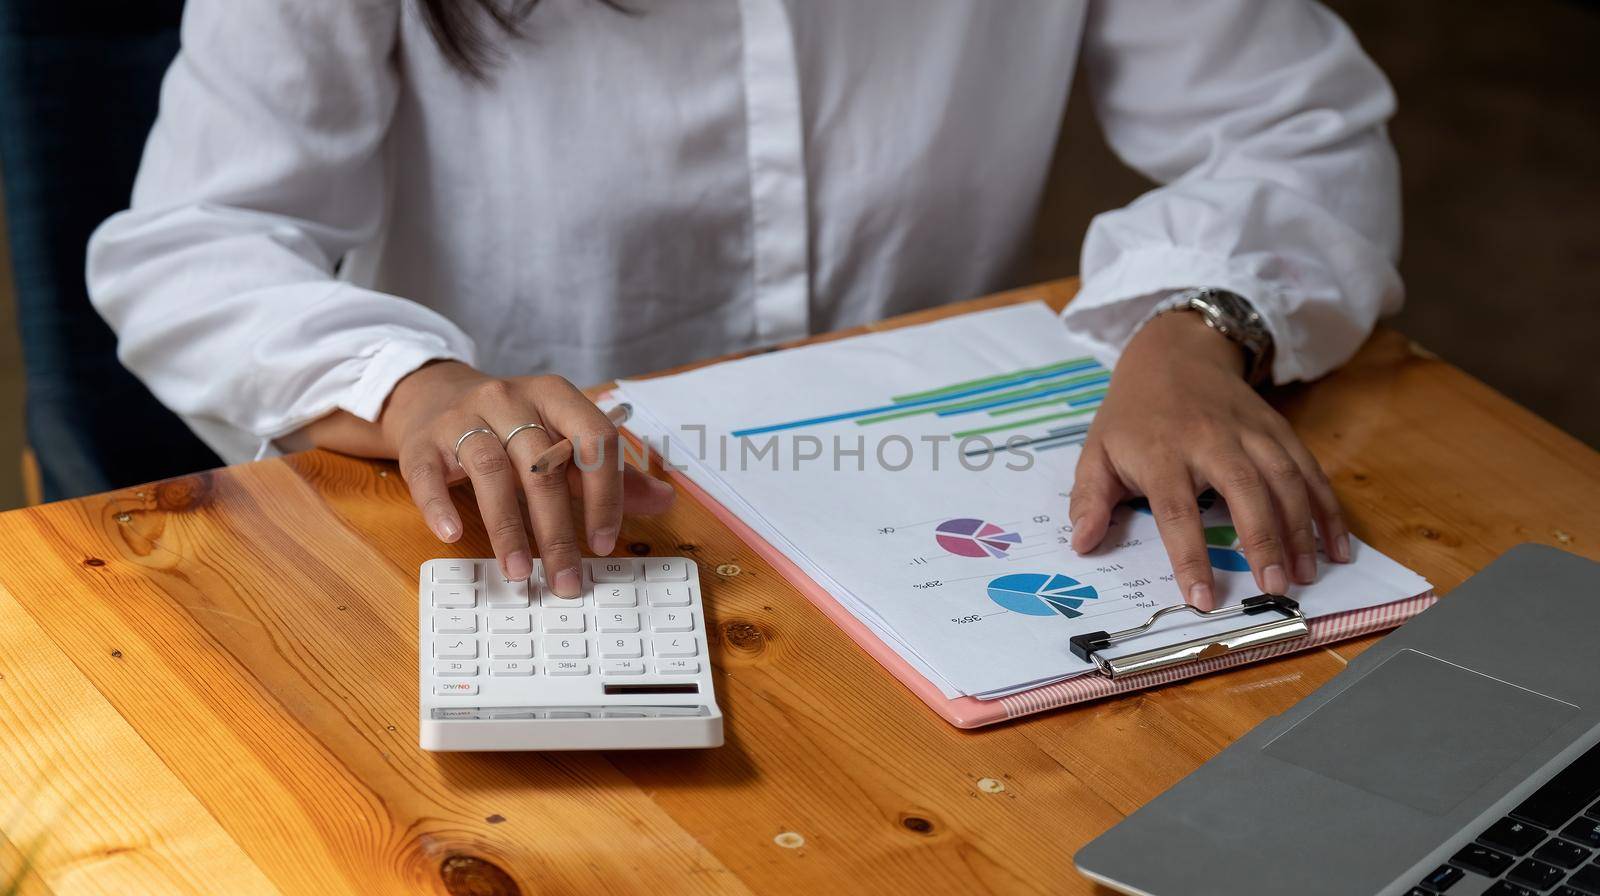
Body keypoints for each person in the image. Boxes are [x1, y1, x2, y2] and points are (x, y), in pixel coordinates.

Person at [87, 0, 1400, 607]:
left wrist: (1194, 324)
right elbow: (191, 247)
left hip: (935, 517)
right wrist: (412, 385)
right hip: (519, 551)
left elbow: (1296, 123)